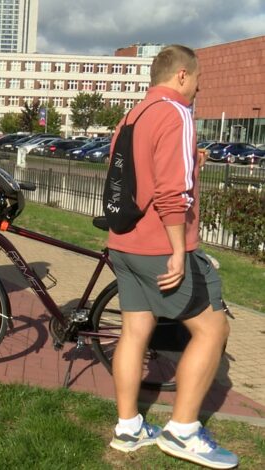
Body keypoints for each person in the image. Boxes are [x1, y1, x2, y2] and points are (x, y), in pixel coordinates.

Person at [106, 45, 237, 469]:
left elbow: (133, 176)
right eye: (197, 80)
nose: (198, 89)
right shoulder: (177, 112)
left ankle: (128, 427)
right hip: (160, 246)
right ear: (182, 75)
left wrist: (189, 165)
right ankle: (182, 431)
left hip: (123, 242)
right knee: (213, 329)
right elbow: (171, 192)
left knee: (135, 329)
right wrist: (180, 250)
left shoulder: (133, 115)